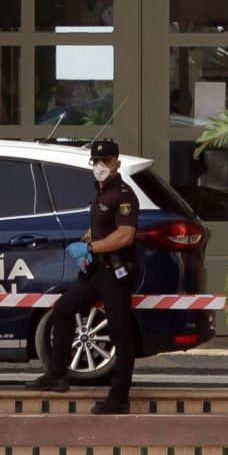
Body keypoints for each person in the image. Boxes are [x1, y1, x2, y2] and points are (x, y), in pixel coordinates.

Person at [26, 139, 140, 414]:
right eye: (96, 161)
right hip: (95, 270)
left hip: (115, 272)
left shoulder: (122, 194)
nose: (100, 165)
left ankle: (119, 396)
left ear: (117, 162)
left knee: (119, 331)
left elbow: (125, 235)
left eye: (107, 160)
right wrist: (86, 245)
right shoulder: (100, 192)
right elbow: (99, 228)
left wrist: (90, 247)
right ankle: (57, 374)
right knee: (63, 309)